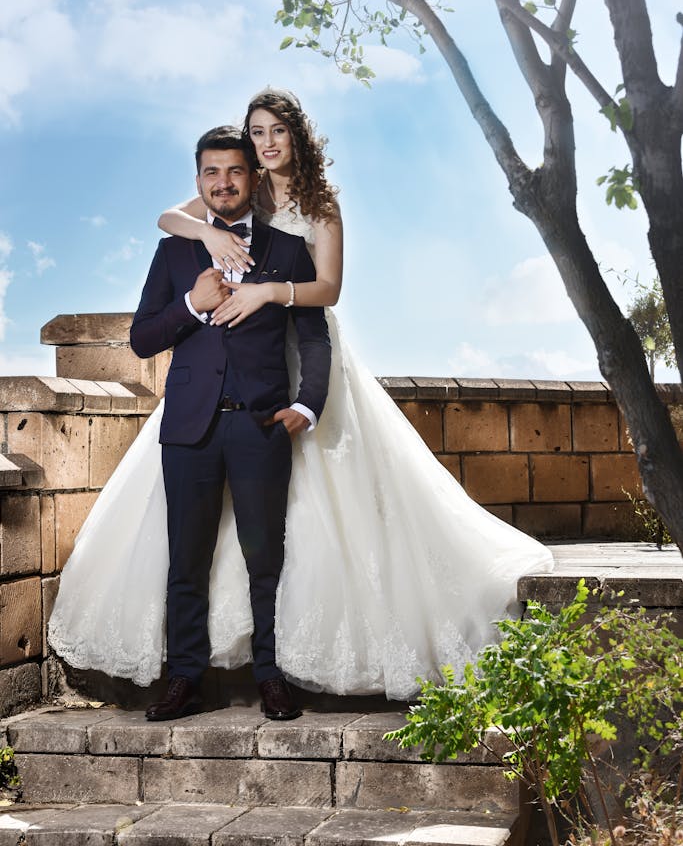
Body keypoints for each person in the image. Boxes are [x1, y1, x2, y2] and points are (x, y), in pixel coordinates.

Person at [48, 89, 554, 706]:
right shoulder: (237, 189)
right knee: (191, 547)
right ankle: (192, 667)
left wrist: (271, 300)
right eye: (255, 133)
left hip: (285, 344)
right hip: (205, 395)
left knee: (289, 532)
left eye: (276, 132)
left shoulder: (316, 207)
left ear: (297, 138)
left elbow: (329, 290)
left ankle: (276, 666)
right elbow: (171, 225)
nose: (264, 144)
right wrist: (207, 242)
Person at [131, 123, 331, 721]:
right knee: (186, 559)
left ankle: (270, 674)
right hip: (188, 428)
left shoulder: (289, 251)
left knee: (264, 557)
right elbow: (142, 339)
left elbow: (315, 341)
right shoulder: (174, 253)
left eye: (235, 171)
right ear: (198, 181)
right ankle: (185, 676)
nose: (223, 183)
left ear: (252, 179)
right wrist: (192, 304)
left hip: (261, 425)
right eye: (211, 173)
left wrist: (307, 404)